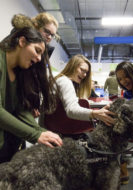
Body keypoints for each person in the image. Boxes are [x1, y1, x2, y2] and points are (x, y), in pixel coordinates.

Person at [0, 27, 63, 163]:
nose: (39, 58)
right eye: (37, 50)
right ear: (22, 41)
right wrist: (35, 134)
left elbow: (19, 109)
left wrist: (40, 131)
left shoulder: (19, 72)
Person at [43, 54, 115, 136]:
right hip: (59, 131)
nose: (84, 75)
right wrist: (95, 113)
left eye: (86, 73)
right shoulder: (65, 81)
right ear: (73, 66)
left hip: (52, 128)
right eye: (82, 70)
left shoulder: (59, 80)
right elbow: (71, 110)